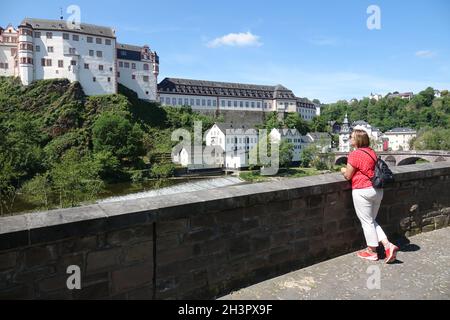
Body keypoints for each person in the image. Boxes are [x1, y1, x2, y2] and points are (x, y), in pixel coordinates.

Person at [340, 126, 399, 263]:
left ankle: (372, 251)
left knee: (367, 222)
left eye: (352, 137)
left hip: (362, 190)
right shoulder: (371, 152)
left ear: (357, 140)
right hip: (377, 190)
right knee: (371, 221)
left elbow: (348, 175)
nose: (350, 139)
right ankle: (388, 246)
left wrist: (343, 170)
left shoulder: (355, 154)